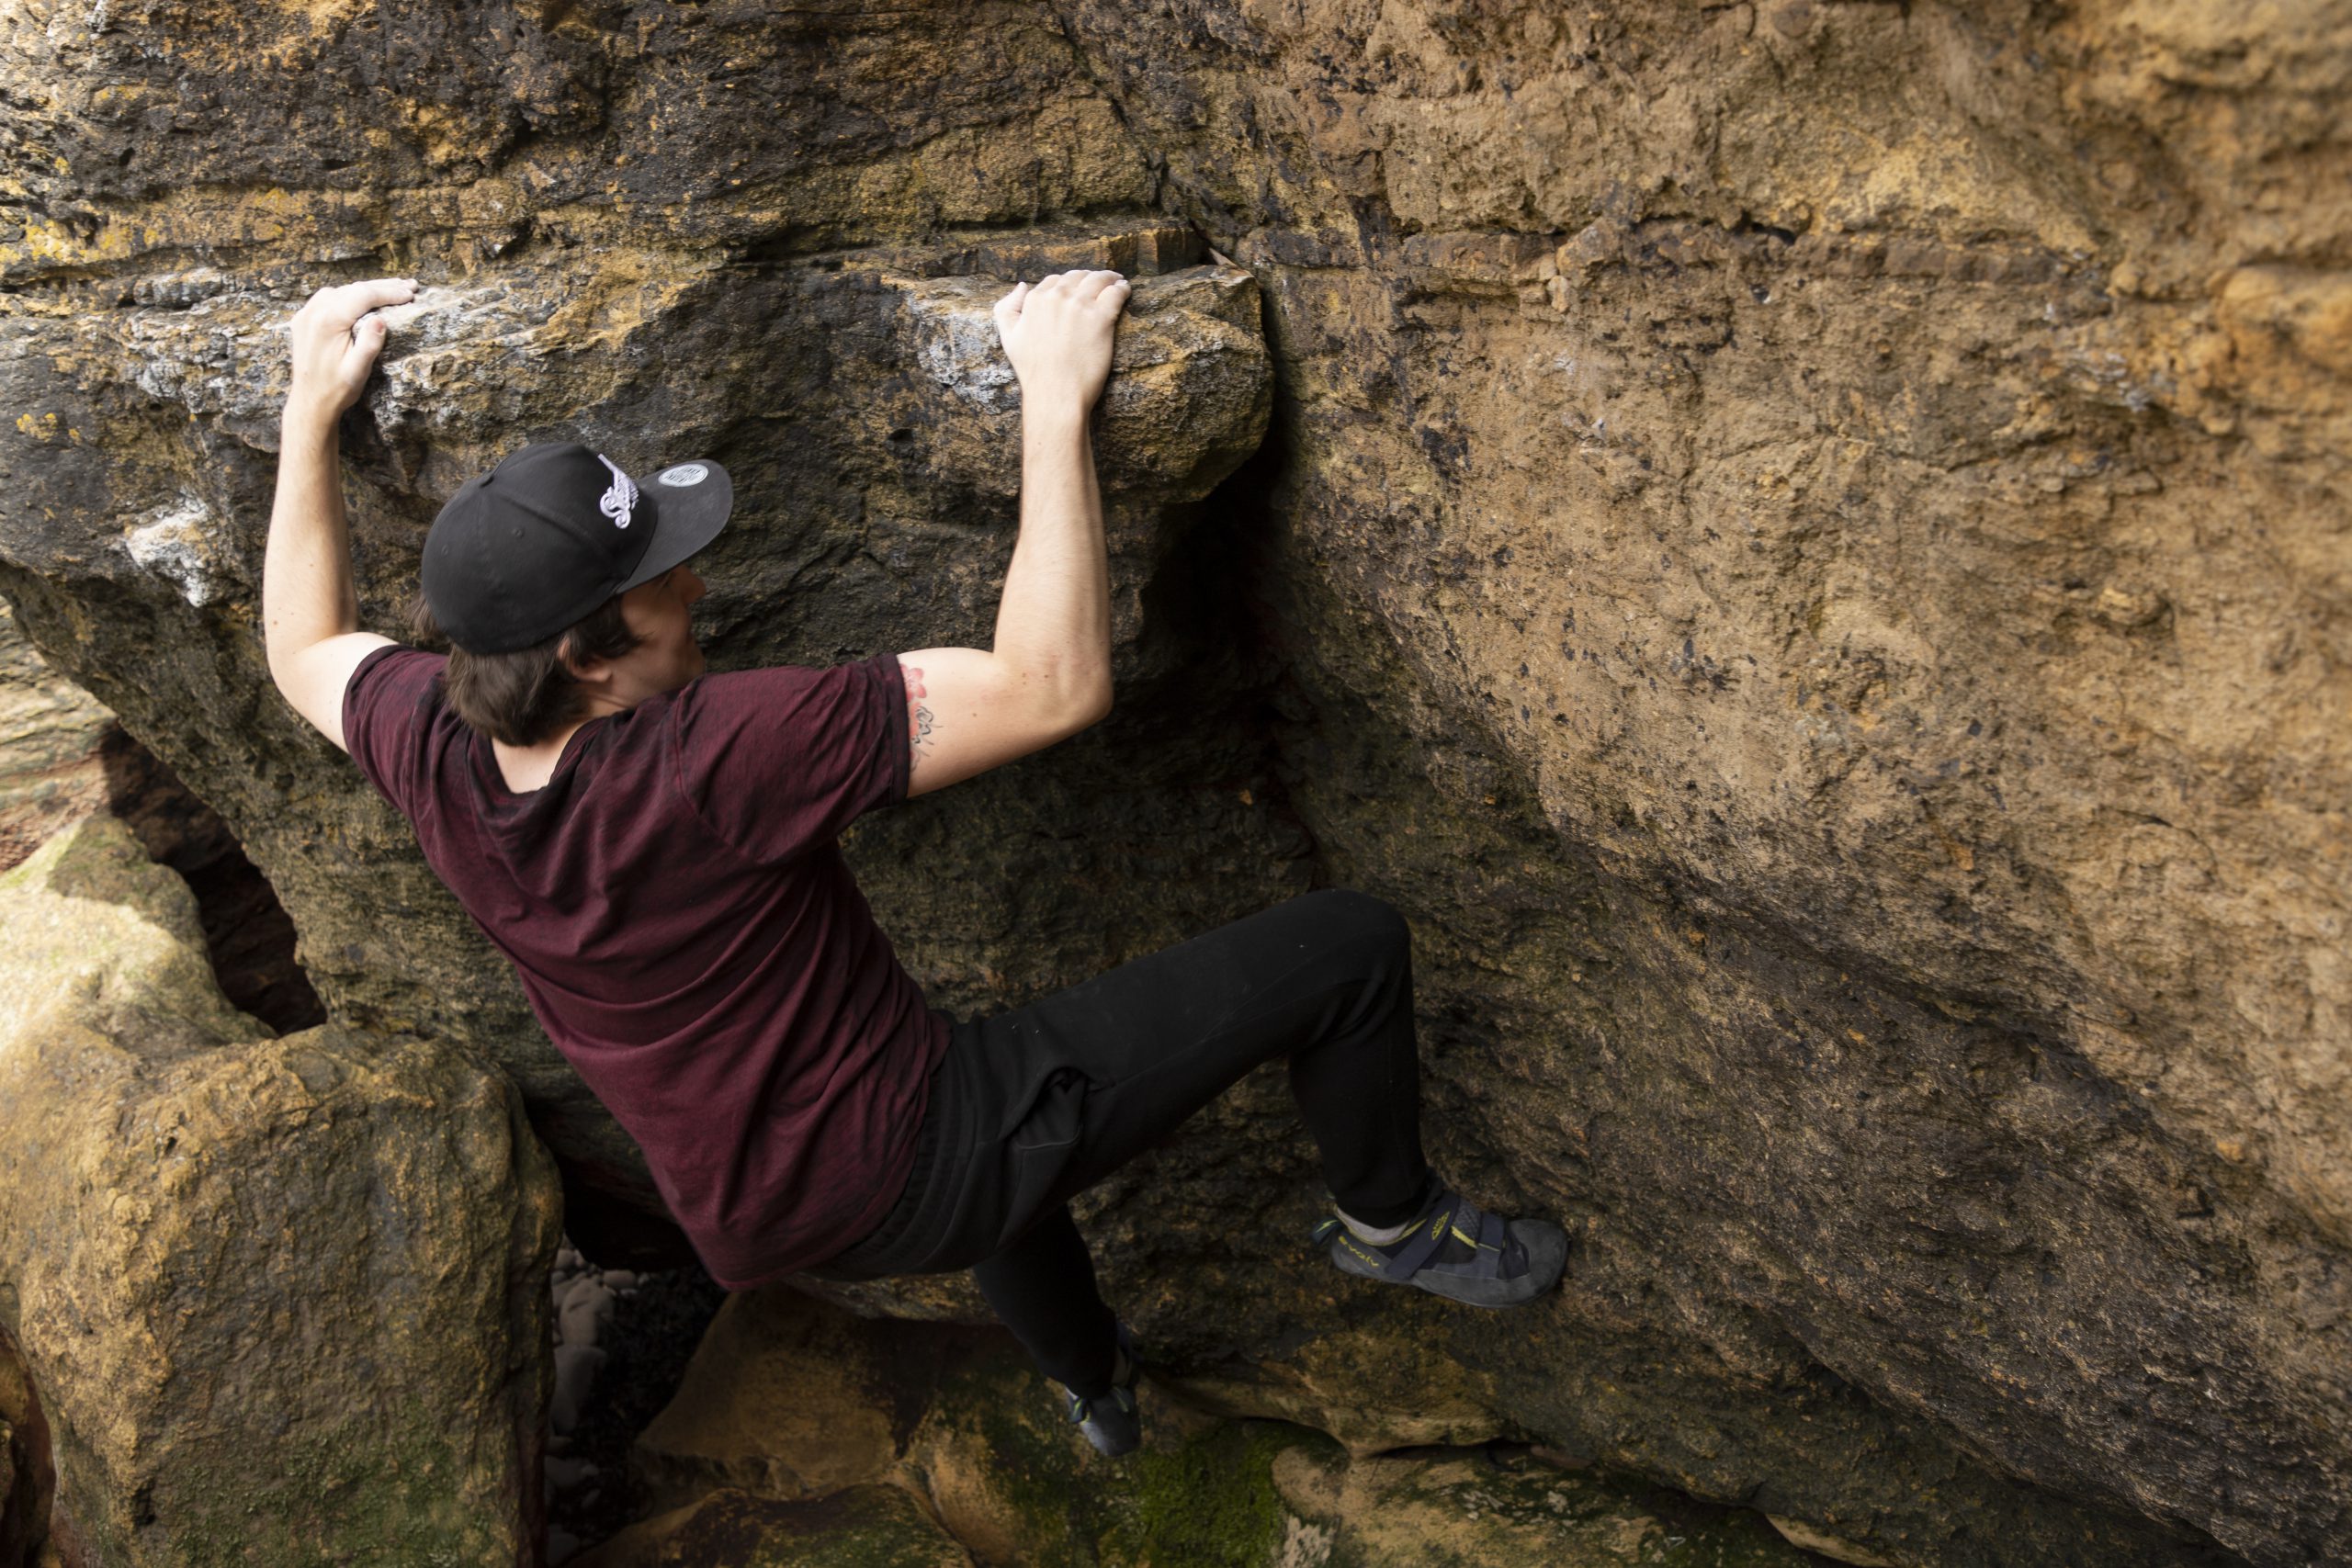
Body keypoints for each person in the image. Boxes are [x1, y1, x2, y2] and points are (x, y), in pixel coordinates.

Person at [264, 271, 1568, 1460]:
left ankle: (1098, 1390)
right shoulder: (713, 756)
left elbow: (301, 646)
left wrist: (308, 412)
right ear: (585, 657)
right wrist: (1053, 402)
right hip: (908, 1160)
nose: (696, 586)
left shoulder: (429, 740)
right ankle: (1393, 1222)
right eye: (662, 579)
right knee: (1346, 946)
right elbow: (1052, 686)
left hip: (748, 1210)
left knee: (985, 1122)